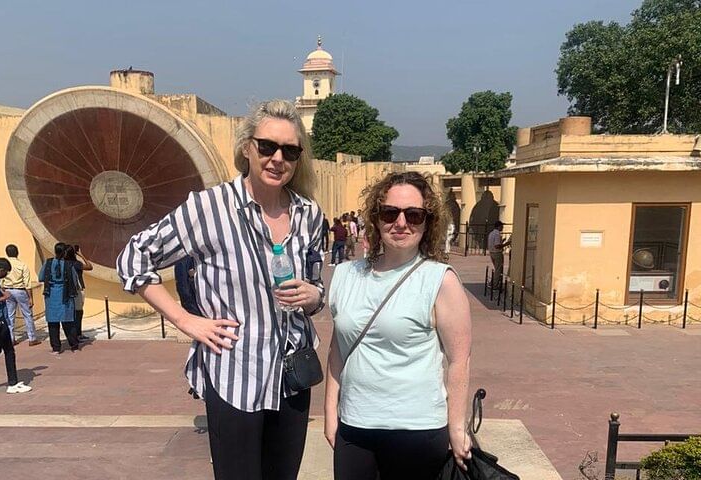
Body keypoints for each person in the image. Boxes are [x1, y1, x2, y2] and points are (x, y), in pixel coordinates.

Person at [117, 99, 326, 480]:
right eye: (267, 146)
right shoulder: (209, 208)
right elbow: (134, 258)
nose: (278, 158)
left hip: (292, 376)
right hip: (235, 373)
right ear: (247, 147)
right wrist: (185, 320)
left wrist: (314, 296)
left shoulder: (308, 214)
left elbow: (316, 282)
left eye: (290, 151)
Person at [325, 171, 472, 480]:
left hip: (417, 429)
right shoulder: (346, 275)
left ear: (427, 222)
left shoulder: (439, 280)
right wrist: (330, 411)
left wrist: (457, 427)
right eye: (390, 213)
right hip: (355, 425)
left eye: (414, 215)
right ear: (376, 219)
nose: (401, 223)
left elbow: (459, 359)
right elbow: (339, 346)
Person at [0, 258, 33, 393]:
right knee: (9, 351)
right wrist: (3, 298)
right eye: (6, 272)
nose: (6, 275)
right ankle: (12, 383)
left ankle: (12, 382)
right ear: (1, 270)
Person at [39, 243, 80, 355]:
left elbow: (41, 277)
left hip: (51, 295)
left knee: (53, 323)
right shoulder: (68, 264)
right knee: (68, 321)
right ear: (65, 253)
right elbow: (74, 280)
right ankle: (74, 345)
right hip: (65, 295)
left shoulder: (48, 263)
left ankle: (56, 348)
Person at [1, 244, 40, 346]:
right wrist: (30, 298)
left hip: (8, 290)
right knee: (27, 314)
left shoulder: (4, 266)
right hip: (20, 290)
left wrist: (3, 291)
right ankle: (32, 338)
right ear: (17, 252)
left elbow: (1, 281)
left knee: (10, 315)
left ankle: (11, 338)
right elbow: (27, 284)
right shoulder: (22, 265)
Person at [65, 245, 93, 341]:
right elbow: (89, 267)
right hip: (78, 291)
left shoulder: (64, 264)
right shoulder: (76, 264)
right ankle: (78, 334)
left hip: (68, 290)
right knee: (78, 312)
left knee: (72, 313)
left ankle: (74, 334)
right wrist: (81, 255)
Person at [487, 221, 510, 290]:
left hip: (492, 253)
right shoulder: (497, 234)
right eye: (502, 226)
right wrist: (505, 244)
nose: (502, 228)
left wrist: (502, 241)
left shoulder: (491, 233)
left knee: (497, 269)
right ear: (499, 226)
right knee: (498, 270)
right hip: (497, 253)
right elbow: (497, 246)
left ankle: (492, 283)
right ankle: (495, 285)